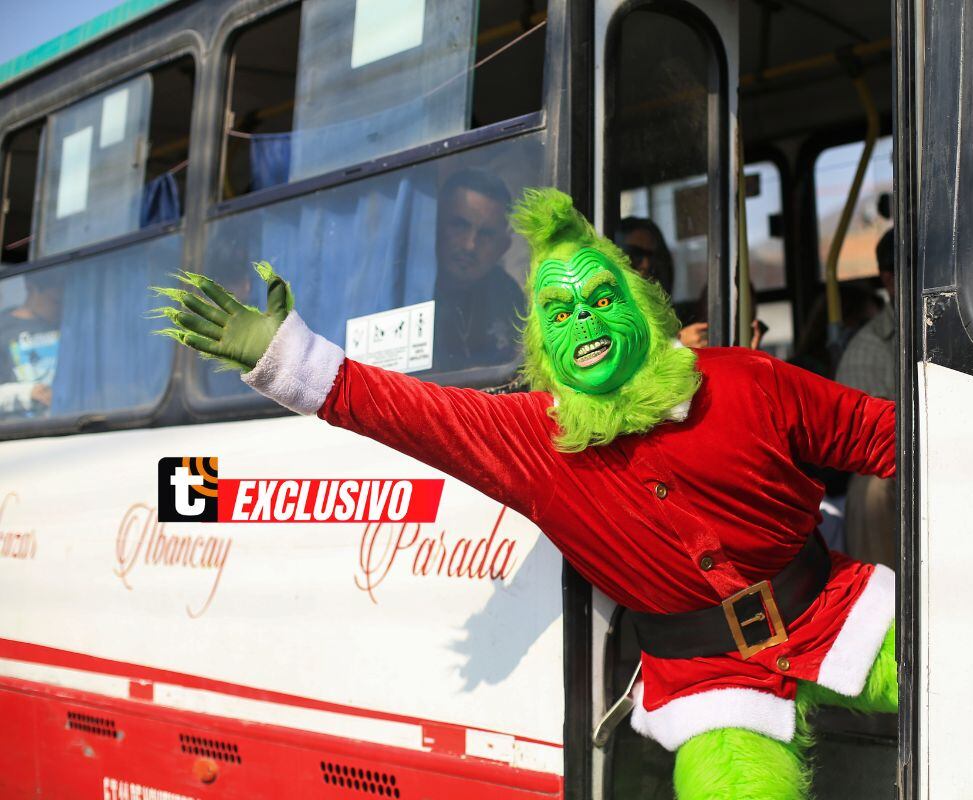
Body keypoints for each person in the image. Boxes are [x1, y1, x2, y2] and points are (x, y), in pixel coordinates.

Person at [155, 189, 897, 800]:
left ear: (639, 305)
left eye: (602, 298)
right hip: (713, 687)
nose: (586, 323)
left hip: (840, 615)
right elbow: (412, 414)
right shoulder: (532, 439)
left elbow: (888, 435)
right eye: (561, 312)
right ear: (543, 341)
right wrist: (291, 358)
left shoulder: (744, 380)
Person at [835, 229, 897, 569]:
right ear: (889, 280)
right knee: (872, 489)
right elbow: (869, 446)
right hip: (905, 472)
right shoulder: (868, 350)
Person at [432, 168, 525, 372]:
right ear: (434, 224)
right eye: (459, 226)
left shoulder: (507, 295)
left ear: (503, 247)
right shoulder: (410, 290)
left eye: (486, 234)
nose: (470, 245)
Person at [615, 216, 712, 348]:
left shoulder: (665, 314)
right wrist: (678, 345)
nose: (646, 265)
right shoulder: (604, 311)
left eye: (653, 257)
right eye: (635, 255)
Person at [0, 270, 63, 417]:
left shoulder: (66, 325)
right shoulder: (3, 328)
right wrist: (28, 393)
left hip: (64, 423)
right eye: (55, 301)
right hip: (22, 431)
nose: (59, 308)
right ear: (31, 289)